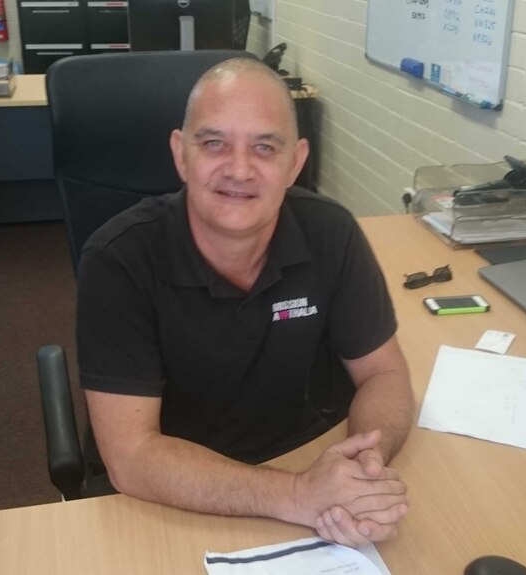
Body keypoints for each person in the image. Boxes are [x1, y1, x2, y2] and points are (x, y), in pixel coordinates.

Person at [76, 57, 415, 547]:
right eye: (214, 143)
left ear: (295, 163)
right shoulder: (118, 259)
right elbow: (131, 457)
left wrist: (362, 470)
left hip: (303, 461)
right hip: (171, 498)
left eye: (264, 147)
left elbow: (384, 374)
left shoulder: (331, 233)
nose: (239, 169)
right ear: (181, 154)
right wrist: (298, 494)